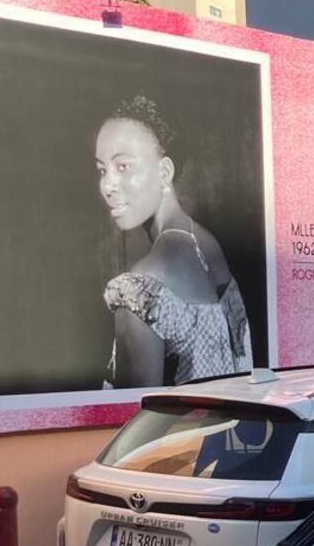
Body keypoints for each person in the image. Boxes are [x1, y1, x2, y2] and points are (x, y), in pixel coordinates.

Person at [96, 94, 252, 388]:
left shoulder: (138, 289)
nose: (107, 185)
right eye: (102, 170)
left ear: (164, 171)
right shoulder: (206, 245)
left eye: (123, 166)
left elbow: (137, 410)